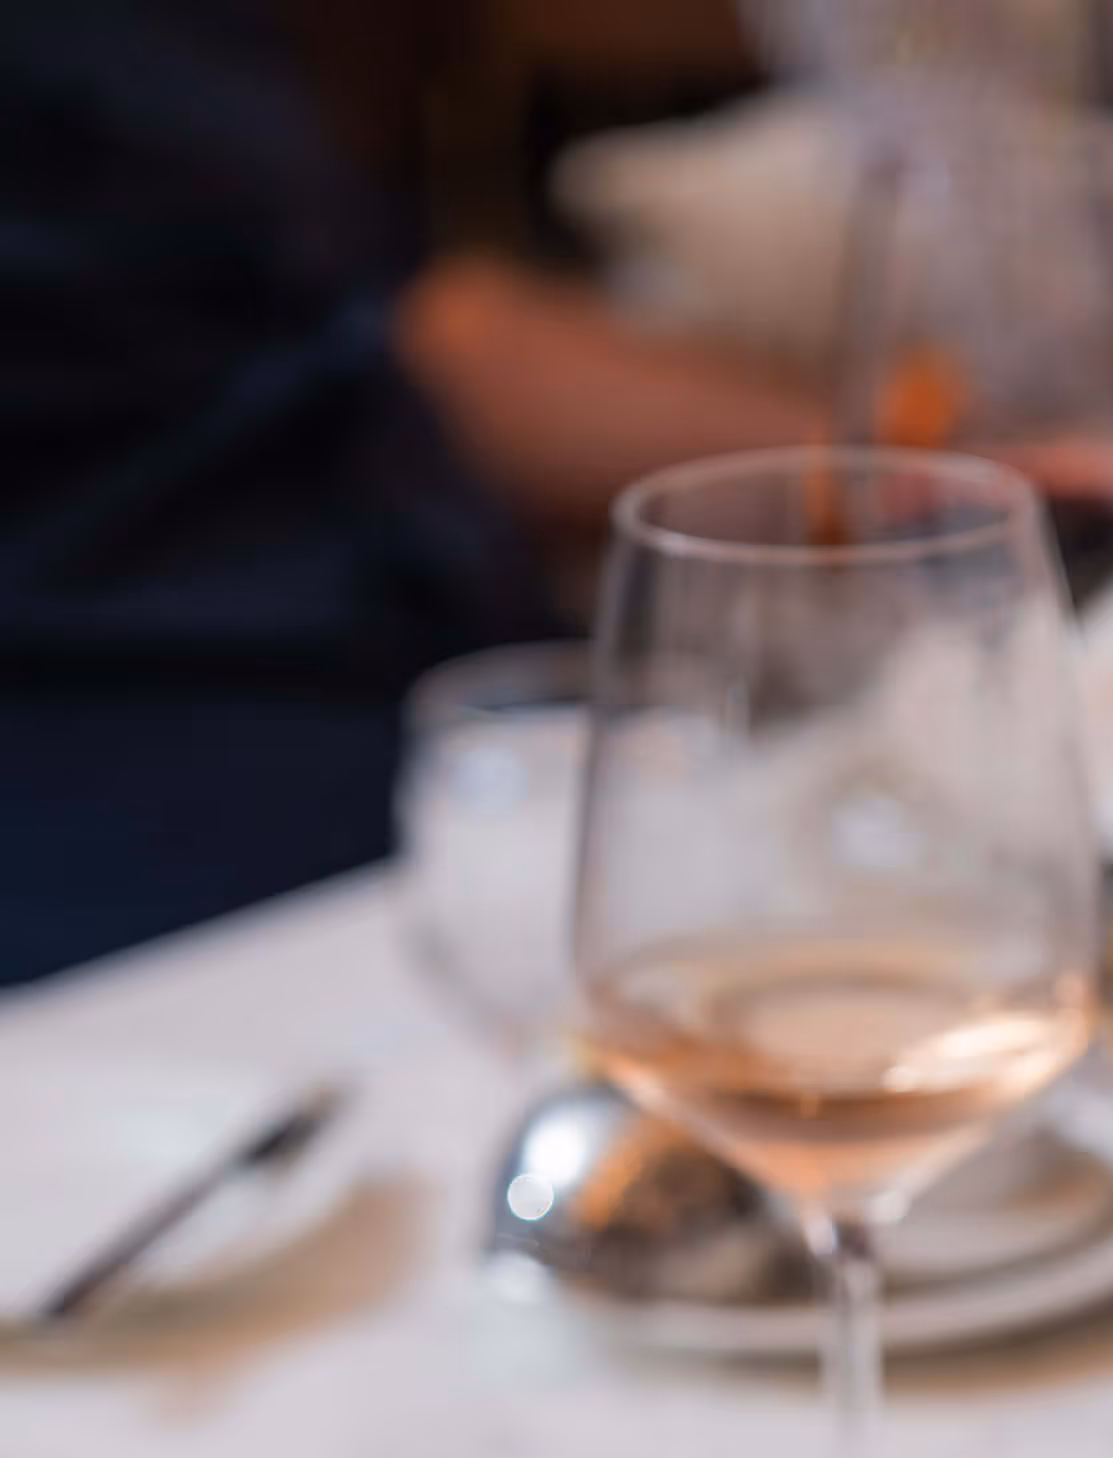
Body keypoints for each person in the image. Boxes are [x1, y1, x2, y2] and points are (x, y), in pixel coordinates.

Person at [0, 0, 815, 987]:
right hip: (157, 795)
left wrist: (879, 472)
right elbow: (429, 347)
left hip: (438, 706)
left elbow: (384, 330)